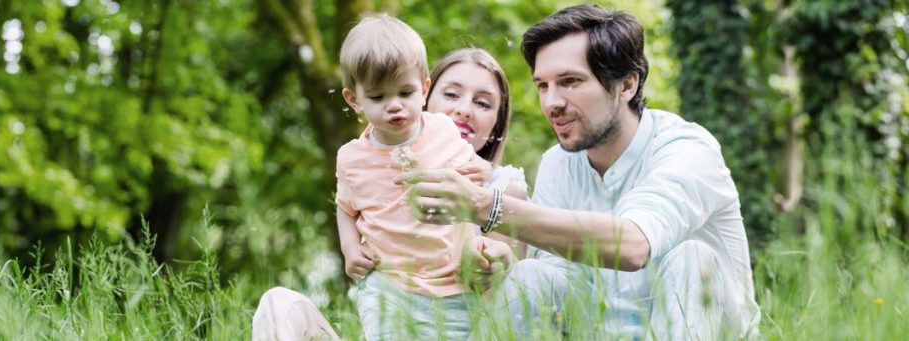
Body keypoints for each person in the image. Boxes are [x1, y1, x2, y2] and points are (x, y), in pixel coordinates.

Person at [401, 4, 761, 340]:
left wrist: (486, 205)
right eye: (543, 86)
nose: (551, 103)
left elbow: (633, 245)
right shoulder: (557, 165)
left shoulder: (686, 149)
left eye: (570, 82)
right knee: (529, 274)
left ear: (626, 84)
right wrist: (499, 261)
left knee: (691, 259)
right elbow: (553, 283)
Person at [251, 47, 523, 340]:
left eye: (483, 103)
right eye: (452, 95)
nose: (465, 109)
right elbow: (347, 209)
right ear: (425, 97)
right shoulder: (373, 170)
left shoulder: (504, 188)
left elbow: (503, 312)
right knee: (279, 304)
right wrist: (351, 250)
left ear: (497, 120)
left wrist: (488, 263)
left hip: (457, 326)